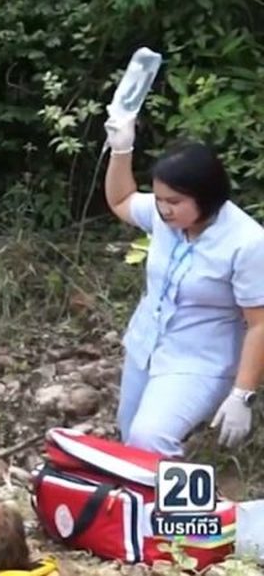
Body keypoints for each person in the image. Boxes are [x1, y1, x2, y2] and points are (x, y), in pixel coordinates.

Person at [104, 116, 264, 457]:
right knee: (130, 440)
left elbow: (259, 324)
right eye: (160, 199)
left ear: (206, 197)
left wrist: (242, 394)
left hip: (200, 360)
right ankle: (144, 494)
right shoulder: (164, 218)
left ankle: (184, 493)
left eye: (174, 201)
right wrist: (121, 149)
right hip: (146, 345)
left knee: (149, 438)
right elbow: (121, 201)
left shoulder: (247, 243)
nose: (164, 209)